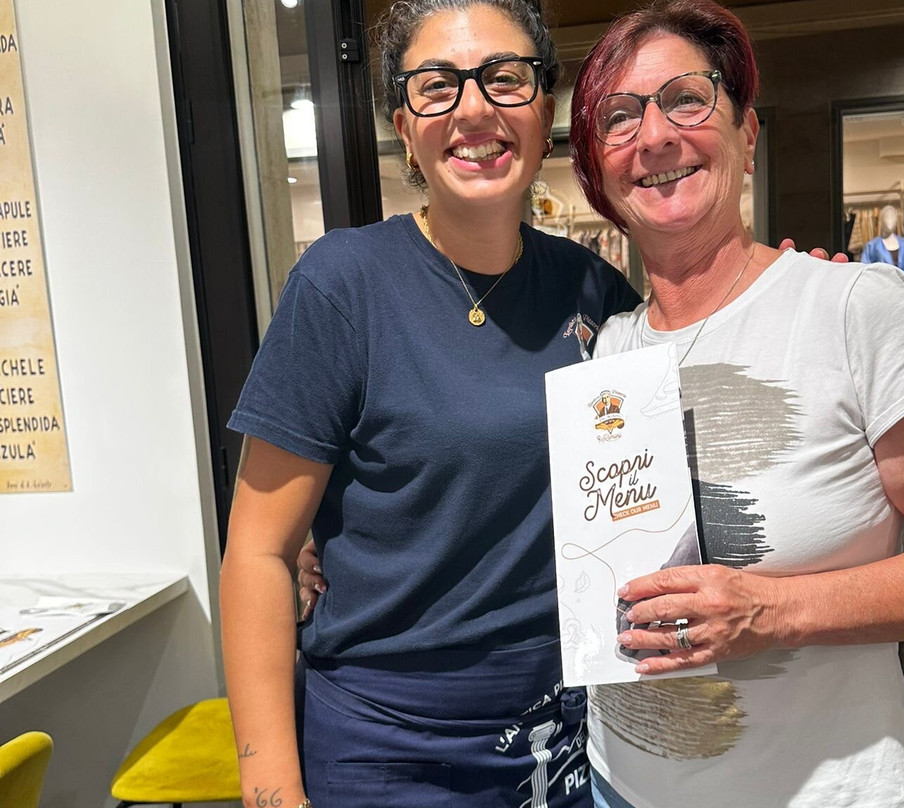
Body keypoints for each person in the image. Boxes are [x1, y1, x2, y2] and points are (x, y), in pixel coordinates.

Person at [563, 1, 904, 805]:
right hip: (618, 785)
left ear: (747, 135)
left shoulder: (853, 307)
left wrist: (771, 610)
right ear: (596, 170)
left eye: (686, 98)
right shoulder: (606, 349)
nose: (655, 136)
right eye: (619, 116)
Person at [219, 2, 643, 806]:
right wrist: (270, 786)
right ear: (403, 128)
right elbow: (259, 554)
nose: (474, 109)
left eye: (504, 78)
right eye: (437, 86)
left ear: (545, 108)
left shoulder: (595, 289)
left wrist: (794, 291)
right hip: (384, 744)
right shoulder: (343, 284)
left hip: (564, 732)